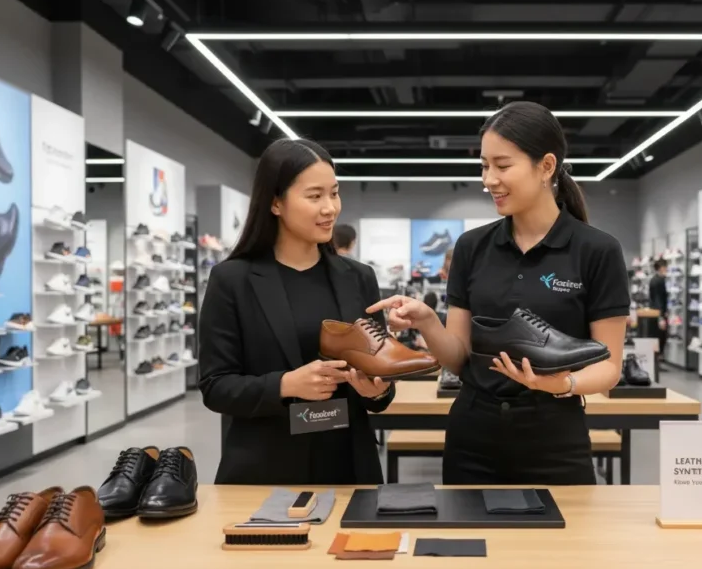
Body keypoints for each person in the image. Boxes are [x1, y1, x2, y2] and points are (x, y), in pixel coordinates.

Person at [367, 101, 629, 485]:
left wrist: (563, 384)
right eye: (484, 166)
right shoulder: (471, 247)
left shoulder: (597, 250)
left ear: (546, 166)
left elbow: (609, 367)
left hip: (554, 435)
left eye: (502, 166)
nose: (489, 179)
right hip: (473, 435)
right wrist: (427, 321)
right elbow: (460, 359)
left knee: (562, 528)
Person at [198, 139, 394, 485]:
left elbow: (380, 379)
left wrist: (376, 390)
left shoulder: (359, 278)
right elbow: (216, 386)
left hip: (348, 464)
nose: (330, 208)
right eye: (314, 196)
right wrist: (286, 384)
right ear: (275, 202)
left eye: (334, 193)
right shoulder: (232, 280)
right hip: (265, 465)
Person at [648, 259, 669, 356]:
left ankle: (657, 358)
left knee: (658, 337)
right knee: (660, 337)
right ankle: (657, 358)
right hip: (658, 313)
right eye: (665, 267)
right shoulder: (658, 281)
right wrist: (660, 317)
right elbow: (658, 299)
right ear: (661, 268)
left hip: (656, 312)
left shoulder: (655, 280)